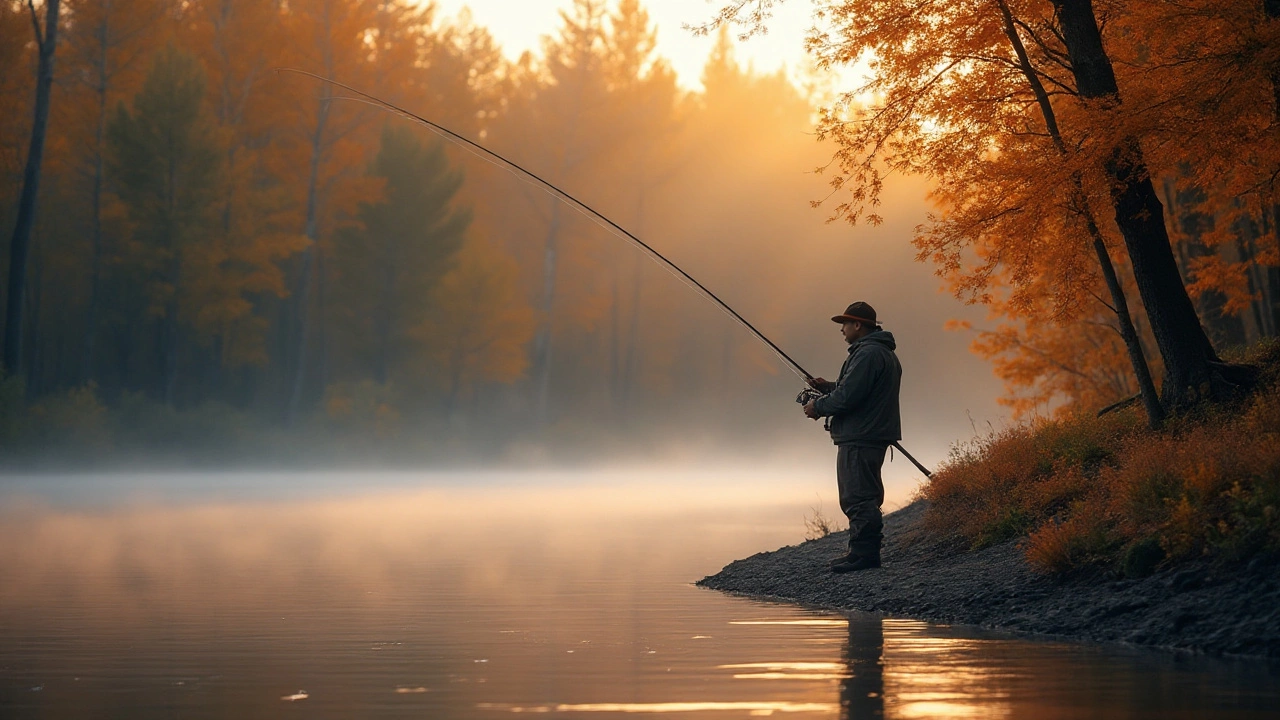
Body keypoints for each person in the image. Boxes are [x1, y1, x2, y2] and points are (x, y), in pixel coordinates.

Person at [802, 301, 902, 573]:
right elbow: (855, 389)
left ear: (858, 325)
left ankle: (864, 555)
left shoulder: (868, 354)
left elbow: (848, 397)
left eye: (844, 324)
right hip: (870, 433)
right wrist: (827, 387)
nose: (842, 330)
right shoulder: (879, 353)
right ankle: (860, 551)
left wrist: (817, 407)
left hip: (862, 435)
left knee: (858, 497)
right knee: (862, 495)